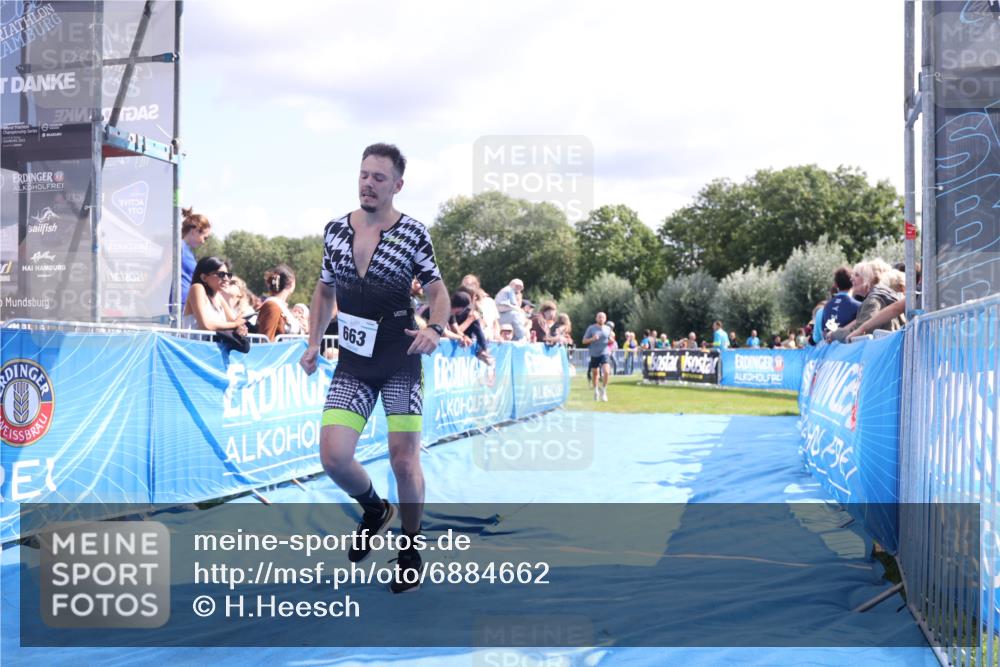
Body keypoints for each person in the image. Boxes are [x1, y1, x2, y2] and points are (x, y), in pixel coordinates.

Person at [298, 143, 449, 594]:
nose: (368, 183)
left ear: (397, 186)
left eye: (379, 178)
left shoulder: (413, 233)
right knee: (334, 456)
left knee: (404, 460)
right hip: (353, 363)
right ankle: (373, 509)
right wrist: (312, 341)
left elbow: (438, 293)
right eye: (364, 174)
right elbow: (324, 293)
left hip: (400, 358)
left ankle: (410, 547)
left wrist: (436, 328)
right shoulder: (335, 231)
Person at [182, 256, 248, 337]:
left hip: (212, 348)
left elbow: (233, 321)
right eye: (221, 274)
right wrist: (235, 324)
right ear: (204, 277)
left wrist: (240, 328)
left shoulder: (218, 296)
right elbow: (205, 325)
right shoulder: (197, 288)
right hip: (193, 348)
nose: (226, 279)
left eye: (228, 275)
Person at [175, 207, 212, 312]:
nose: (204, 242)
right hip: (178, 304)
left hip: (186, 303)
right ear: (195, 231)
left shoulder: (186, 250)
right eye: (204, 237)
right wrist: (146, 293)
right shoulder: (178, 246)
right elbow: (163, 271)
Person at [257, 264, 304, 342]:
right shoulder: (272, 306)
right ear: (291, 283)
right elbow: (266, 340)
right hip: (278, 353)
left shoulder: (280, 306)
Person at [821, 267, 861, 337]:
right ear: (852, 282)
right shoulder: (859, 306)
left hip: (830, 346)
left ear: (836, 284)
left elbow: (824, 332)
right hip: (850, 346)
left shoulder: (826, 306)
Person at [582, 311, 612, 402]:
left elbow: (610, 340)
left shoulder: (608, 329)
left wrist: (611, 340)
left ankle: (604, 390)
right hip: (594, 354)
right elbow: (584, 341)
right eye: (599, 317)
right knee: (595, 373)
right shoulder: (591, 328)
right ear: (596, 318)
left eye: (603, 317)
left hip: (605, 353)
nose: (601, 319)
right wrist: (592, 339)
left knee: (606, 371)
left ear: (605, 319)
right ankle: (596, 391)